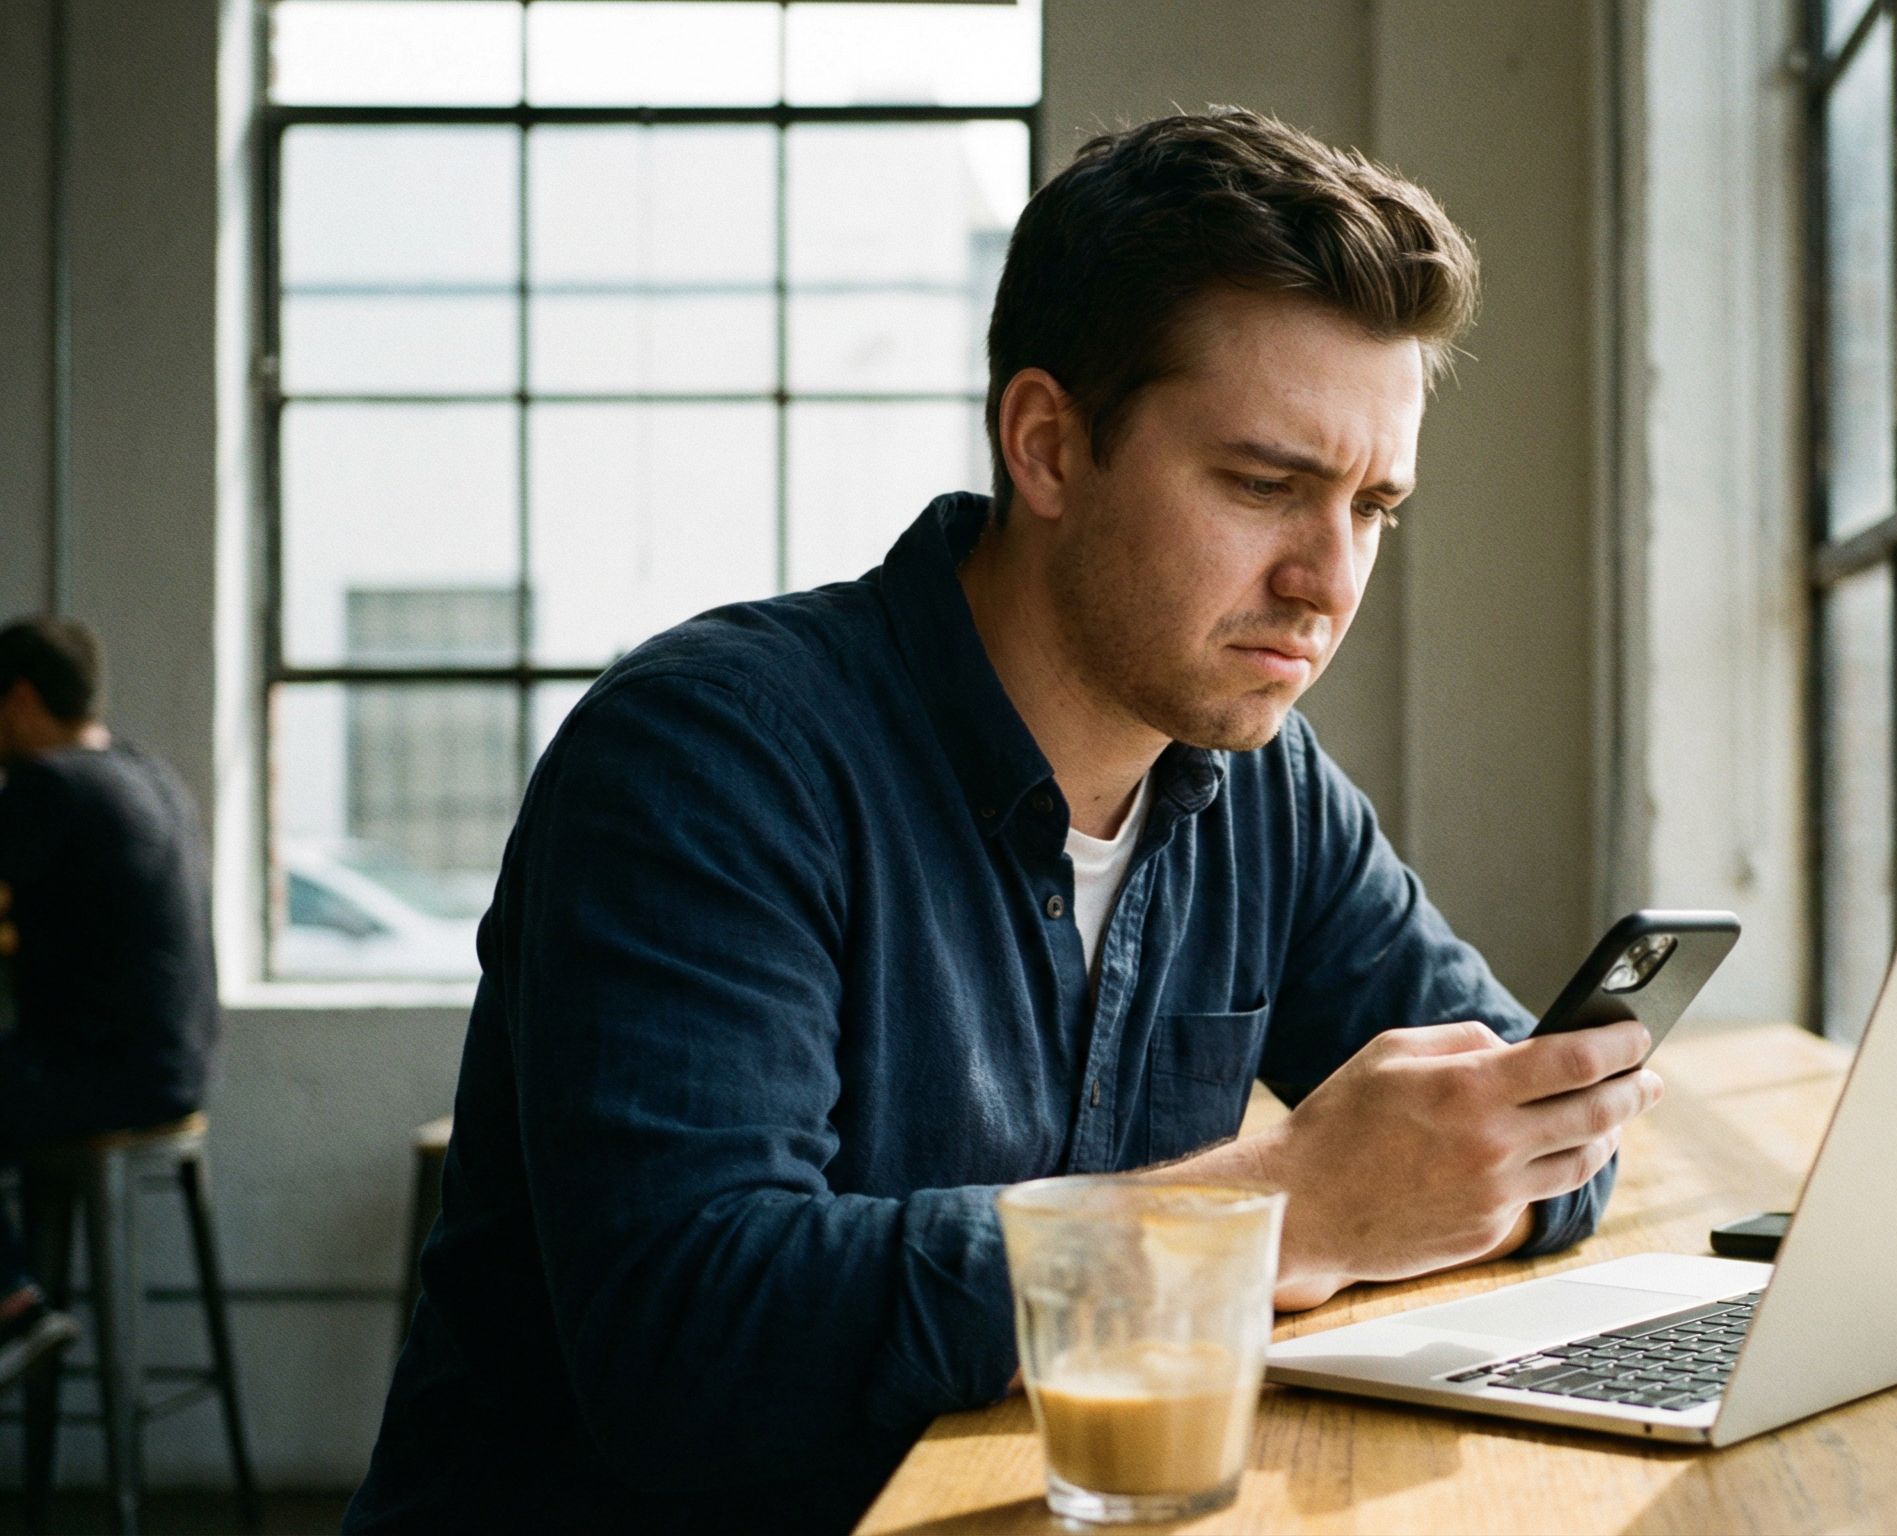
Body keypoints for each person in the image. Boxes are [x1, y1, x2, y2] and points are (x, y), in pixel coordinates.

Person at [346, 109, 1660, 1533]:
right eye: (1267, 486)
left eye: (1373, 508)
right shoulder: (709, 757)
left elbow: (1531, 1131)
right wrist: (1283, 1210)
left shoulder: (1264, 788)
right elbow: (692, 1342)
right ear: (1045, 444)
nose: (1327, 581)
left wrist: (1459, 1164)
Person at [0, 616, 222, 1384]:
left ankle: (12, 1306)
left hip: (102, 1079)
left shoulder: (47, 785)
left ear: (21, 699)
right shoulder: (146, 773)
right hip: (176, 1070)